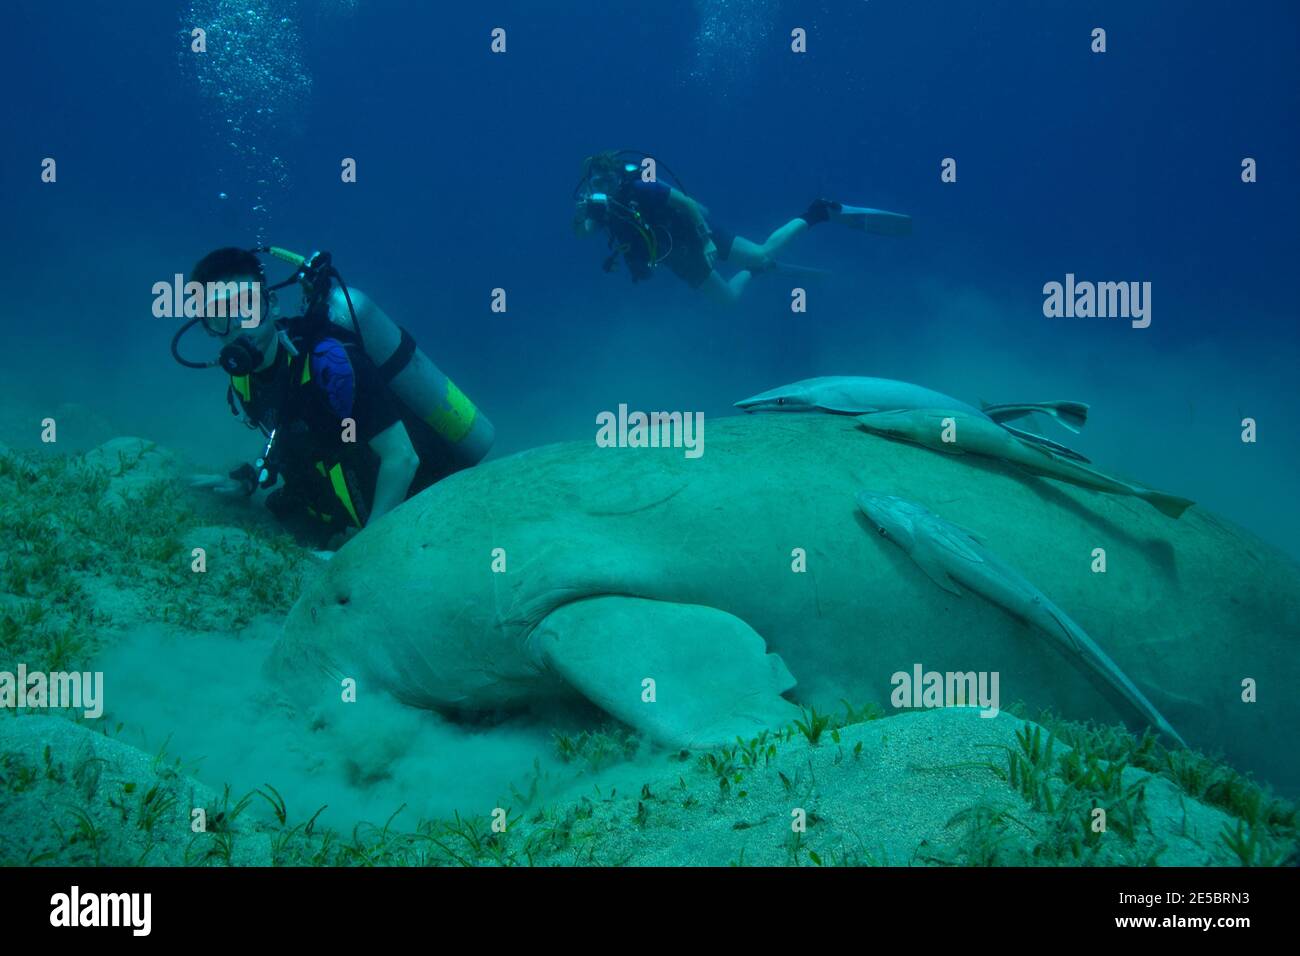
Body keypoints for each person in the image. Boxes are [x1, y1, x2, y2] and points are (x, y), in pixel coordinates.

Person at [175, 246, 494, 549]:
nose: (237, 328)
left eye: (246, 306)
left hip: (427, 507)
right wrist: (249, 482)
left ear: (270, 304)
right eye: (219, 316)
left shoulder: (331, 365)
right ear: (207, 328)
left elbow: (402, 458)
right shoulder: (243, 379)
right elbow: (287, 428)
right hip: (338, 512)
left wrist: (365, 550)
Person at [572, 149, 912, 303]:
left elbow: (689, 204)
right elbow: (582, 233)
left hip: (695, 233)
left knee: (762, 252)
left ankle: (819, 212)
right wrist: (582, 212)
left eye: (606, 178)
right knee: (729, 300)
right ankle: (759, 271)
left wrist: (706, 241)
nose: (603, 186)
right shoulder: (597, 210)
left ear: (616, 175)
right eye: (596, 182)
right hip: (677, 258)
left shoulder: (639, 188)